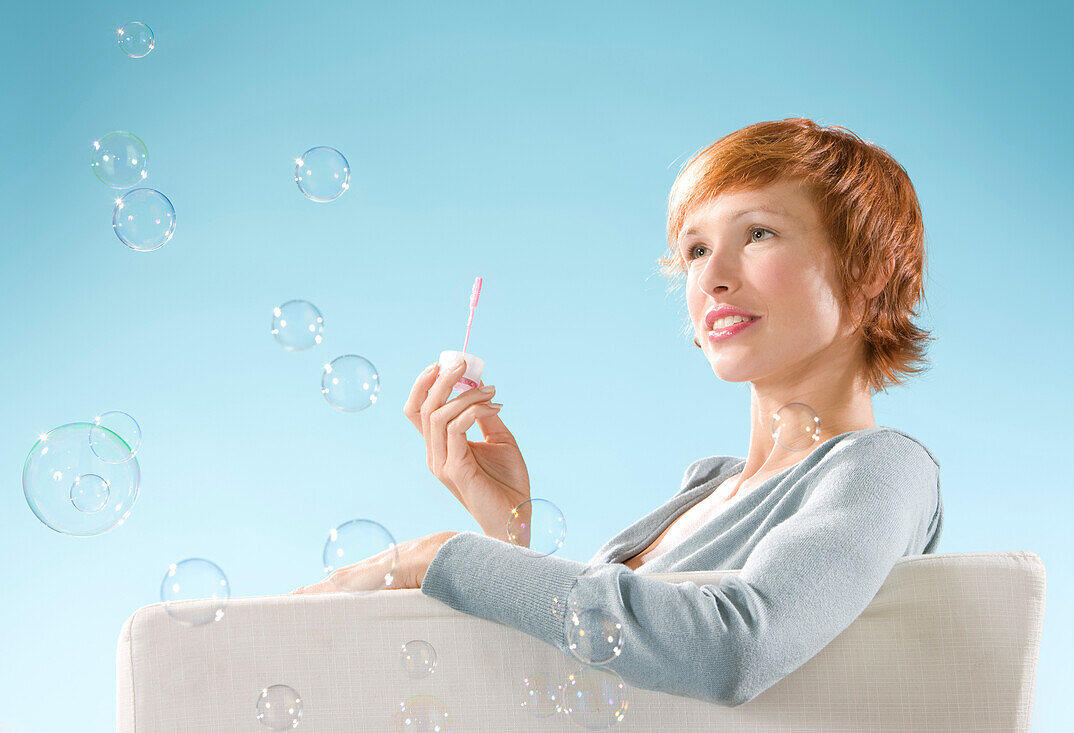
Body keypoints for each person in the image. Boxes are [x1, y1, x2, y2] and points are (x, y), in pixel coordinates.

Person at [292, 117, 944, 708]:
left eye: (759, 233)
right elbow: (604, 660)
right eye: (694, 249)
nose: (711, 276)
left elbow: (733, 646)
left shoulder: (883, 467)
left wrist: (432, 555)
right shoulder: (706, 487)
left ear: (872, 270)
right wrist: (507, 530)